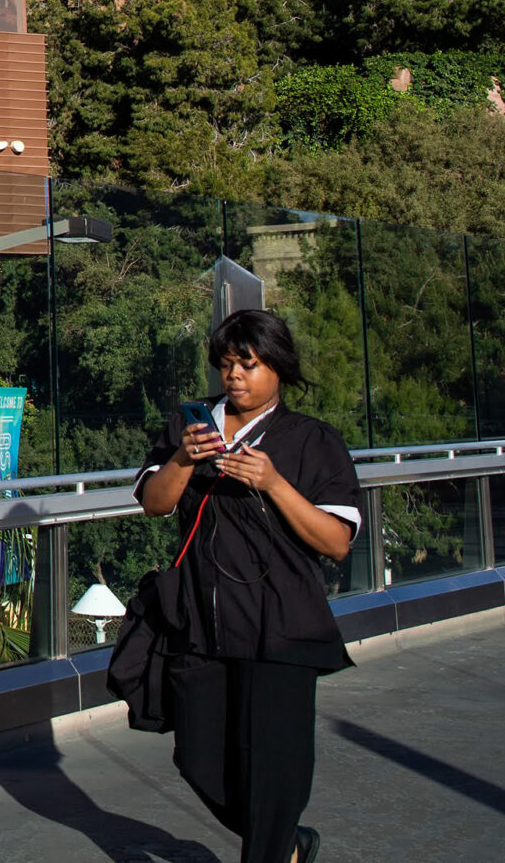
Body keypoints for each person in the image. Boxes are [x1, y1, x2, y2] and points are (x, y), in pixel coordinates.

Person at [136, 308, 360, 863]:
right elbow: (154, 504)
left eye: (248, 364)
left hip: (280, 622)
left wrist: (275, 483)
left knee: (273, 766)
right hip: (200, 618)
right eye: (227, 364)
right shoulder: (188, 429)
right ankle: (284, 844)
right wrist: (186, 459)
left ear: (277, 368)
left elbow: (335, 541)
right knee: (197, 757)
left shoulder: (311, 440)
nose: (234, 376)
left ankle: (267, 848)